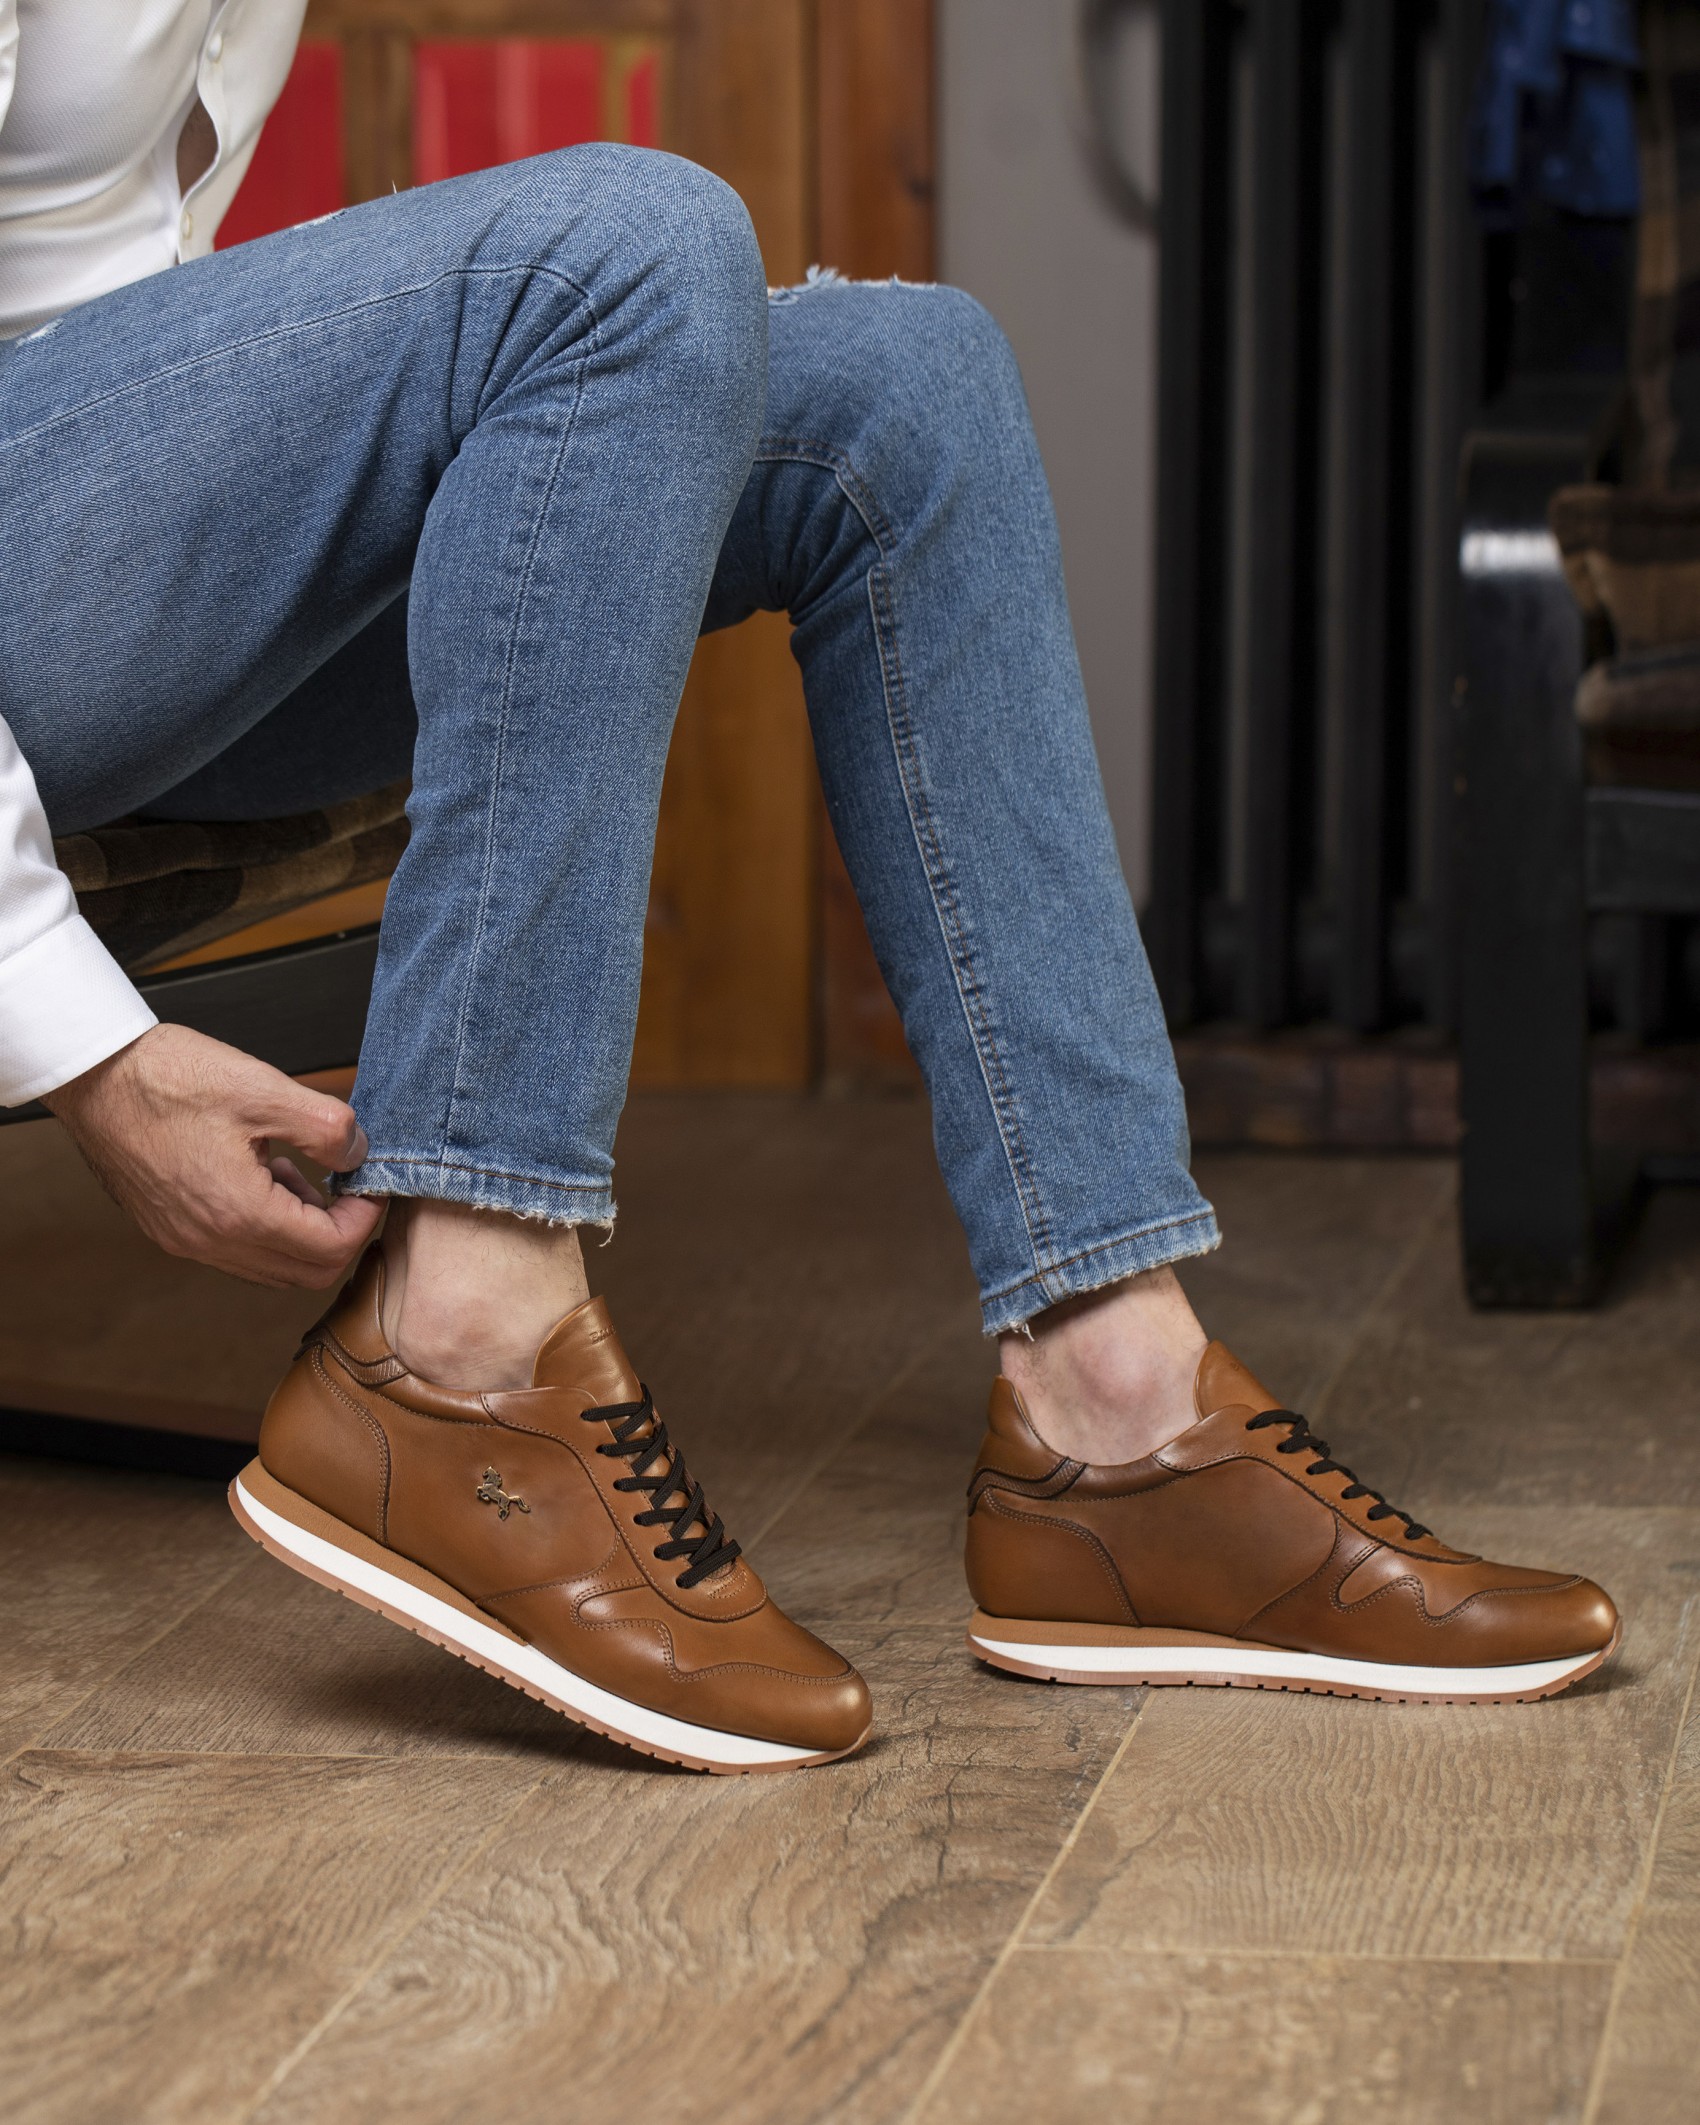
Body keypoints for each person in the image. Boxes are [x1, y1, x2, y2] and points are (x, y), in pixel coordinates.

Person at [0, 1, 1618, 1774]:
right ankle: (462, 1333)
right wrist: (89, 1047)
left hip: (131, 564)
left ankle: (1121, 1419)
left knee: (909, 387)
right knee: (632, 243)